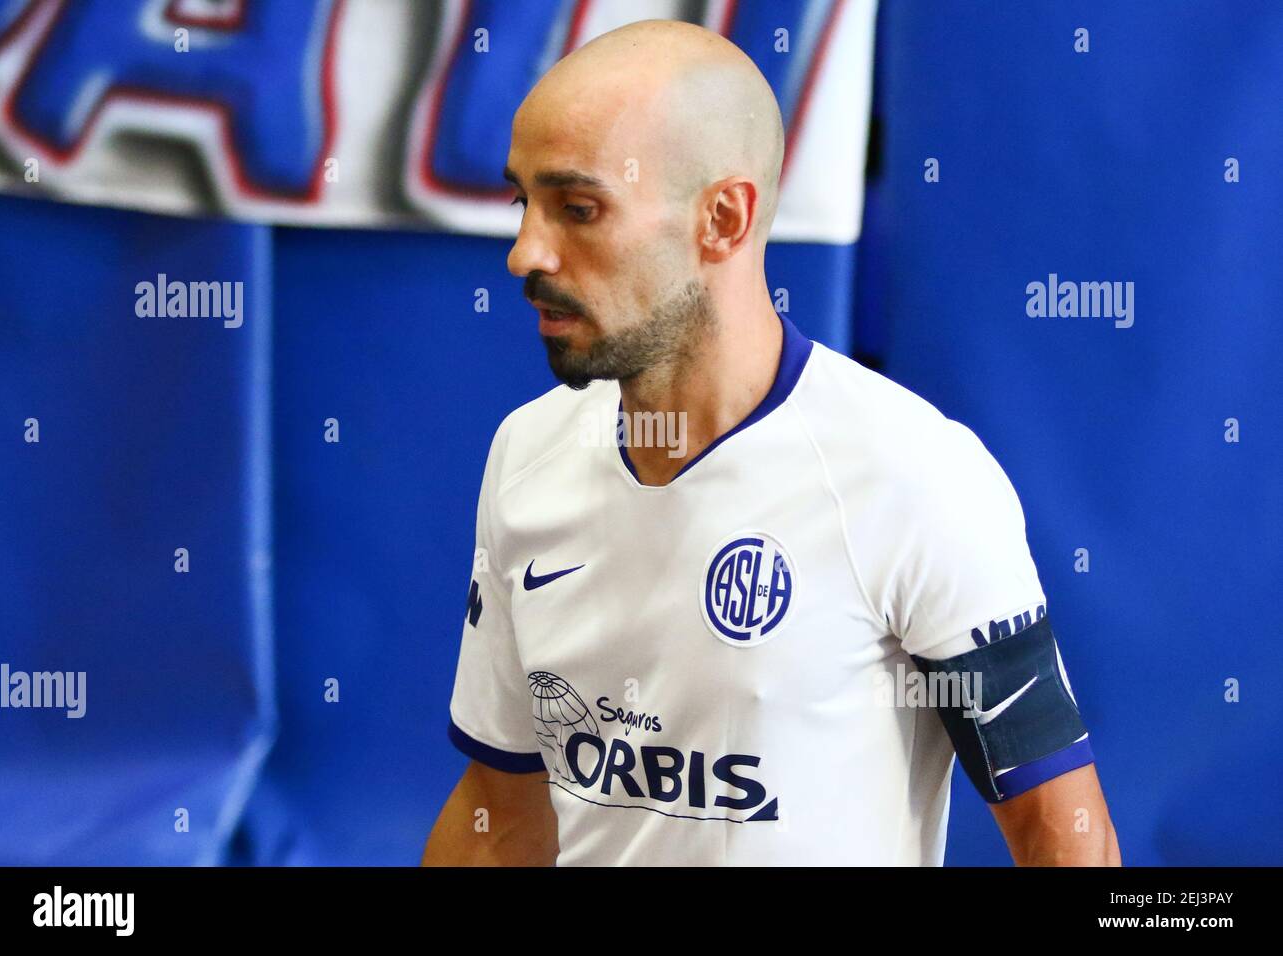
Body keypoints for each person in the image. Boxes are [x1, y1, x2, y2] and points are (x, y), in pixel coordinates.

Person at [422, 18, 1120, 866]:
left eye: (578, 208)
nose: (525, 250)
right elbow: (501, 810)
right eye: (522, 203)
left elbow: (1065, 837)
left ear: (723, 217)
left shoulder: (912, 474)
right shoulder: (525, 454)